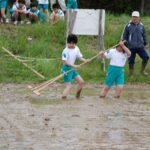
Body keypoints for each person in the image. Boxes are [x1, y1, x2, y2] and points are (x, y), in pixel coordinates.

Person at [121, 11, 149, 76]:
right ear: (132, 17)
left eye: (136, 17)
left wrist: (146, 43)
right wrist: (123, 44)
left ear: (139, 17)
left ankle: (142, 71)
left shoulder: (141, 25)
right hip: (131, 47)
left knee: (146, 57)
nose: (135, 18)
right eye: (134, 17)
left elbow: (144, 35)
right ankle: (131, 74)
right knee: (131, 61)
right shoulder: (128, 25)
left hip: (140, 47)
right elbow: (124, 36)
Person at [61, 34, 87, 99]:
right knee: (69, 86)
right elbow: (64, 62)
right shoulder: (65, 51)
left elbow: (79, 57)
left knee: (81, 82)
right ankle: (63, 99)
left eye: (73, 43)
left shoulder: (77, 48)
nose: (72, 45)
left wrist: (85, 60)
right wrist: (74, 65)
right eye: (70, 43)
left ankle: (77, 96)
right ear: (68, 42)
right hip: (66, 69)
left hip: (72, 68)